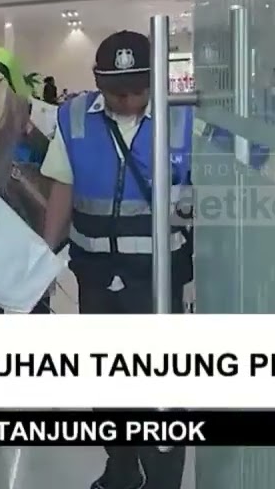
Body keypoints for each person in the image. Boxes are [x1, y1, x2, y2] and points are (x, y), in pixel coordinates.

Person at [40, 30, 191, 489]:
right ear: (97, 83)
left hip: (159, 274)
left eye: (138, 90)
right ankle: (121, 464)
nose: (127, 101)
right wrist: (45, 255)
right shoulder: (74, 118)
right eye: (116, 92)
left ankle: (162, 476)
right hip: (96, 274)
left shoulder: (183, 119)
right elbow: (62, 188)